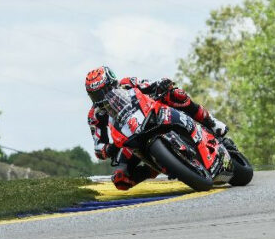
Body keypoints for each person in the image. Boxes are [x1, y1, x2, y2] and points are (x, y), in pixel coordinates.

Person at [85, 66, 227, 190]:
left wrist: (162, 84)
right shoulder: (95, 116)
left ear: (113, 83)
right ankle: (154, 168)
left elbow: (150, 84)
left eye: (104, 91)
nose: (101, 97)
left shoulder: (128, 83)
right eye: (95, 94)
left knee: (176, 94)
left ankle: (212, 123)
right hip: (129, 139)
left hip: (151, 113)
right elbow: (98, 147)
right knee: (120, 180)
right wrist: (109, 149)